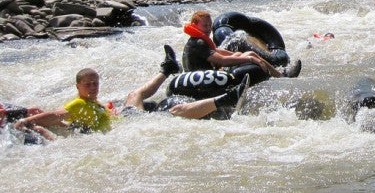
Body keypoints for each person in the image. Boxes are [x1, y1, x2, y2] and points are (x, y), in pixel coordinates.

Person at [13, 49, 251, 134]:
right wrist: (27, 120)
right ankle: (225, 99)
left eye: (95, 83)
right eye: (88, 84)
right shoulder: (77, 104)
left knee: (134, 96)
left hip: (127, 121)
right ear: (78, 87)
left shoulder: (91, 103)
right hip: (131, 127)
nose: (94, 88)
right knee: (176, 111)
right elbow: (56, 115)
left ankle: (167, 69)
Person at [182, 11, 301, 78]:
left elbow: (217, 51)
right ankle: (281, 76)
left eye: (210, 25)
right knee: (251, 55)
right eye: (205, 26)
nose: (208, 29)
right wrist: (248, 58)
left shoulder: (196, 39)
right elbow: (222, 60)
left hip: (203, 76)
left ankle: (280, 75)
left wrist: (237, 54)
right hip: (202, 80)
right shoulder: (199, 42)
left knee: (248, 54)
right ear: (194, 25)